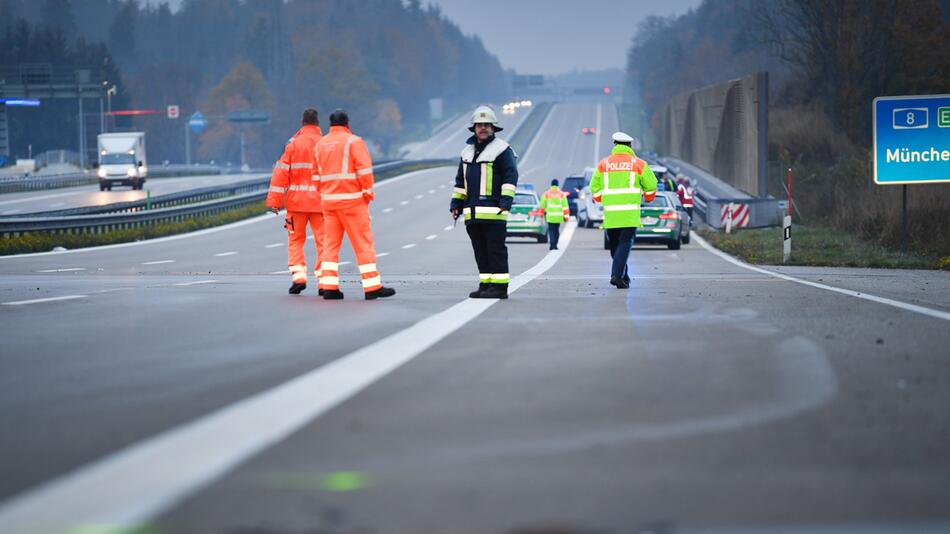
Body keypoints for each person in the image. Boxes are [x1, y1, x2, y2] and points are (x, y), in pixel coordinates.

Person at [314, 109, 395, 300]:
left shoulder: (320, 144)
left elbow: (315, 176)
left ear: (330, 125)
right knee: (363, 244)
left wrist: (325, 193)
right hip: (352, 201)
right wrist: (368, 193)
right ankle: (371, 286)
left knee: (330, 246)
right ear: (347, 124)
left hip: (329, 202)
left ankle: (329, 287)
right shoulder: (354, 141)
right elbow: (364, 170)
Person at [450, 105, 519, 299]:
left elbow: (510, 176)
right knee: (480, 251)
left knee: (495, 250)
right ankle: (486, 285)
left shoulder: (502, 150)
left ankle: (500, 287)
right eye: (479, 125)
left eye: (487, 125)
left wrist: (506, 201)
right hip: (472, 213)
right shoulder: (466, 152)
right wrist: (456, 204)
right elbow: (460, 182)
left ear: (493, 128)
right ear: (473, 128)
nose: (482, 128)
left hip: (494, 212)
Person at [265, 107, 324, 295]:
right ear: (318, 123)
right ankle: (325, 281)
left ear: (302, 123)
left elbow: (280, 173)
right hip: (320, 204)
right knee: (324, 242)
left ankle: (299, 277)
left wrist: (275, 201)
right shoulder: (324, 144)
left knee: (295, 240)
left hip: (296, 204)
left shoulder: (293, 145)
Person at [590, 131, 658, 289]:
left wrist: (602, 199)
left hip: (611, 214)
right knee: (625, 244)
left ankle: (623, 276)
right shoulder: (638, 163)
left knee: (615, 247)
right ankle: (616, 275)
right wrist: (648, 198)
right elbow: (651, 185)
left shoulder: (603, 164)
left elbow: (594, 187)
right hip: (629, 214)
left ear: (615, 145)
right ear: (630, 146)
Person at [539, 178, 569, 250]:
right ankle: (555, 244)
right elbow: (565, 206)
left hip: (550, 216)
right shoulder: (561, 194)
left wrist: (541, 213)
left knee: (551, 230)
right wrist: (566, 217)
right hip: (558, 216)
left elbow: (542, 204)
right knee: (556, 230)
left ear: (551, 185)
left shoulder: (546, 194)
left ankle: (552, 244)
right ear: (557, 185)